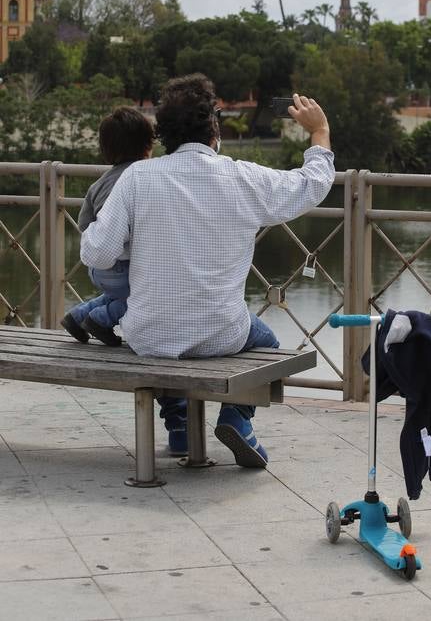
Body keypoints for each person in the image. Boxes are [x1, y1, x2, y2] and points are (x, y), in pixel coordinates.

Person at [80, 74, 334, 467]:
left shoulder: (137, 178)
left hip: (148, 335)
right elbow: (313, 185)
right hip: (221, 333)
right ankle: (237, 417)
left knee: (167, 335)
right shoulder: (243, 176)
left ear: (163, 134)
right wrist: (319, 132)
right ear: (214, 126)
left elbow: (97, 254)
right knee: (265, 340)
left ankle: (180, 430)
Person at [61, 106, 155, 347]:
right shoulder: (144, 177)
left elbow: (85, 223)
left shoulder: (99, 184)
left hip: (98, 269)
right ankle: (100, 320)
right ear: (147, 145)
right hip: (124, 267)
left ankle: (77, 316)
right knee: (149, 295)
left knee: (118, 294)